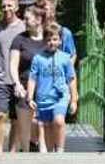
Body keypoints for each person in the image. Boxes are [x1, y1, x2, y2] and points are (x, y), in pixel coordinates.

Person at [0, 0, 33, 152]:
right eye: (3, 6)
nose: (6, 9)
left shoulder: (24, 27)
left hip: (19, 79)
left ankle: (11, 154)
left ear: (16, 7)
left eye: (9, 5)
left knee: (16, 119)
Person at [25, 22, 79, 153]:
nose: (51, 42)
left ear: (60, 41)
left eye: (55, 39)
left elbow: (71, 79)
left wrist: (73, 99)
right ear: (44, 41)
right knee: (47, 126)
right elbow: (32, 79)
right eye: (48, 39)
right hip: (43, 98)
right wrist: (29, 97)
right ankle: (51, 154)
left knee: (59, 121)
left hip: (60, 96)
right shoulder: (38, 58)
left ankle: (60, 151)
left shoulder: (65, 58)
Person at [6, 4, 46, 152]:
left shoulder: (49, 39)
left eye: (27, 18)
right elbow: (12, 65)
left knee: (41, 125)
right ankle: (27, 152)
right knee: (24, 130)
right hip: (23, 87)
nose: (24, 21)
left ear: (38, 19)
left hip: (44, 88)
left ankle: (42, 152)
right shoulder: (19, 39)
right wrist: (16, 84)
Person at [38, 0, 77, 67]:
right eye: (39, 9)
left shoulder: (64, 33)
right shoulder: (35, 33)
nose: (41, 12)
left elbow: (72, 56)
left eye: (44, 9)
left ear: (53, 11)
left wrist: (66, 73)